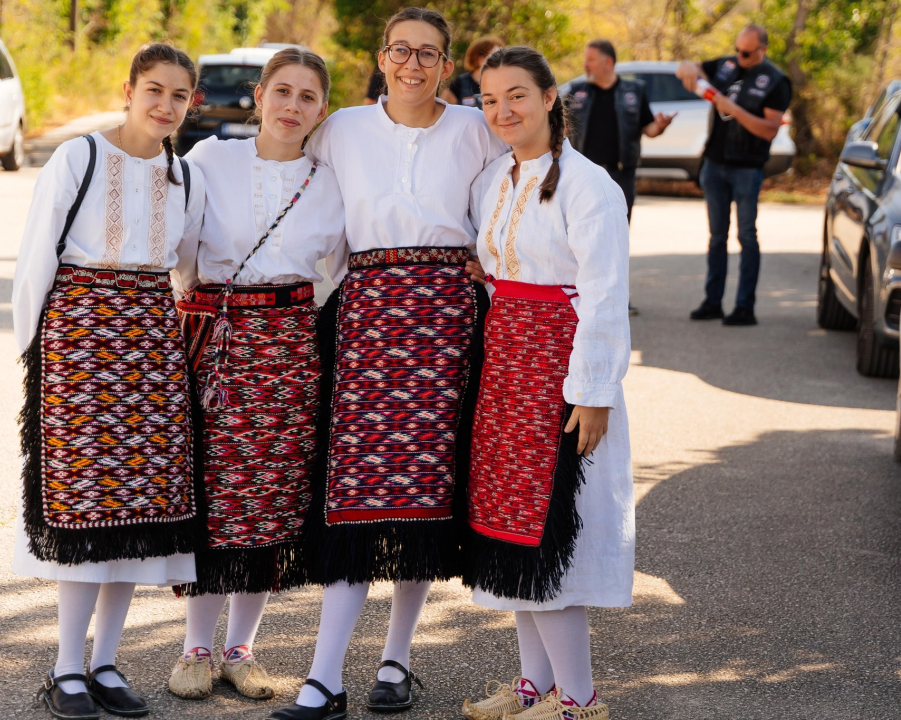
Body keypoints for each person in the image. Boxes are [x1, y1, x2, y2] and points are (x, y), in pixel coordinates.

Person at [265, 8, 506, 720]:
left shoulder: (477, 130)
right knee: (355, 494)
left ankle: (396, 661)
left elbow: (515, 197)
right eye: (401, 50)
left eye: (428, 54)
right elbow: (284, 168)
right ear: (381, 58)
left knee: (425, 494)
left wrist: (490, 262)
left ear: (448, 65)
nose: (413, 65)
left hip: (448, 322)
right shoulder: (341, 128)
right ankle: (324, 678)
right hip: (367, 317)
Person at [11, 43, 206, 720]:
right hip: (80, 346)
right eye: (154, 90)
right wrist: (35, 356)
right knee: (87, 510)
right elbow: (36, 257)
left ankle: (106, 662)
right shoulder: (80, 157)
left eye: (179, 95)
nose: (165, 105)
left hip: (152, 351)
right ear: (128, 90)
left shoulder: (185, 176)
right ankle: (67, 667)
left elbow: (188, 269)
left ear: (191, 104)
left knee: (137, 516)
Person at [166, 48, 346, 704]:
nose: (293, 107)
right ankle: (195, 646)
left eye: (308, 97)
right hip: (217, 341)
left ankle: (241, 649)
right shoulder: (212, 159)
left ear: (321, 111)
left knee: (270, 498)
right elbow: (180, 252)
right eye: (283, 91)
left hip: (291, 349)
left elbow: (343, 269)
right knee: (215, 497)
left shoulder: (331, 182)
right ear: (259, 94)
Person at [459, 46, 631, 720]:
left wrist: (593, 393)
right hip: (506, 368)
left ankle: (579, 699)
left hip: (558, 375)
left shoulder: (590, 186)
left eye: (517, 95)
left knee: (548, 532)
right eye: (490, 98)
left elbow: (605, 295)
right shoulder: (496, 179)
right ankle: (534, 684)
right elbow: (508, 265)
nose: (503, 110)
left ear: (550, 97)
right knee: (511, 530)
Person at [677, 24, 792, 326]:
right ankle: (713, 301)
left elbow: (769, 130)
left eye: (746, 53)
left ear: (762, 50)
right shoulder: (727, 65)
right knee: (717, 237)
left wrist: (733, 108)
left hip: (747, 168)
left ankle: (744, 307)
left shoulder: (776, 81)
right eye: (737, 49)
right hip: (714, 164)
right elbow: (692, 67)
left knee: (746, 236)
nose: (740, 56)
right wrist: (687, 67)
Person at [566, 39, 674, 317]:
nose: (585, 65)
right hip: (583, 176)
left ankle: (618, 298)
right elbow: (563, 128)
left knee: (616, 237)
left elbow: (649, 129)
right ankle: (579, 296)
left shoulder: (633, 91)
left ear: (608, 62)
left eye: (591, 59)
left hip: (620, 174)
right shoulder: (578, 92)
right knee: (579, 236)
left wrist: (660, 126)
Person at [441, 35, 503, 108]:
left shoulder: (503, 83)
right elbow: (443, 109)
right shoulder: (461, 82)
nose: (500, 60)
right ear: (480, 59)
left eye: (501, 56)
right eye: (495, 56)